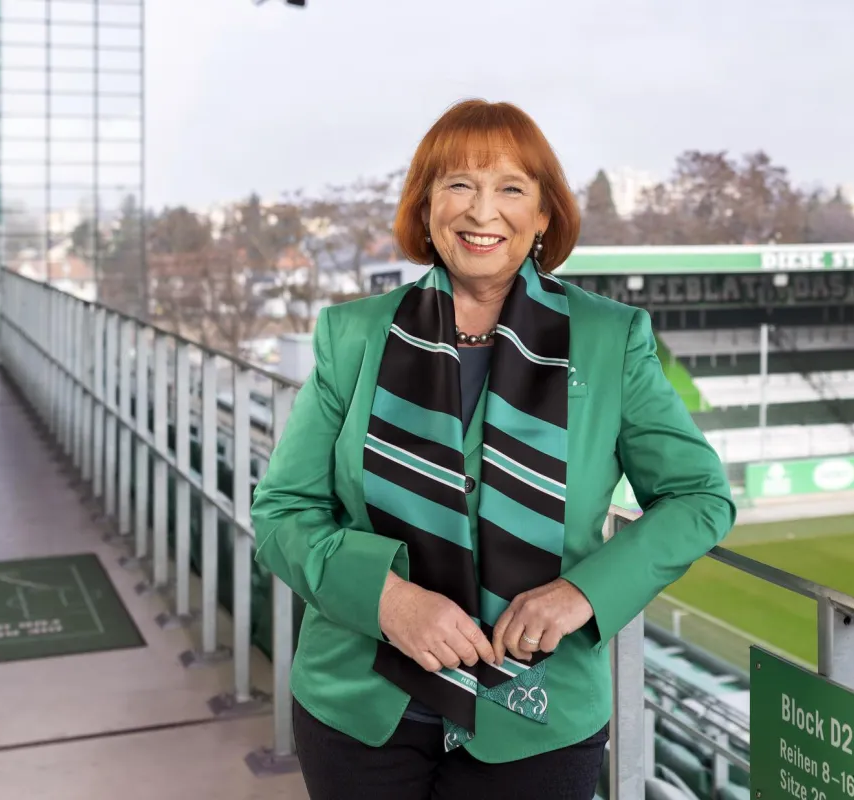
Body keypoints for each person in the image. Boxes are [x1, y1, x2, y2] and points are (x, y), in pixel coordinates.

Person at [250, 98, 735, 800]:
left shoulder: (609, 338)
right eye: (458, 186)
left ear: (543, 215)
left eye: (511, 188)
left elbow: (699, 499)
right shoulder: (351, 336)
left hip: (540, 719)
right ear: (425, 208)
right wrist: (388, 602)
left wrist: (582, 594)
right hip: (358, 710)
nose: (483, 213)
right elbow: (282, 514)